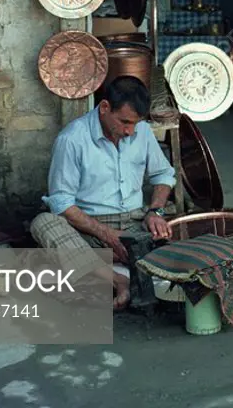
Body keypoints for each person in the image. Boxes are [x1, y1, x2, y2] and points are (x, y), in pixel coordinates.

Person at [30, 76, 176, 310]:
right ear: (105, 108)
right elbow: (61, 203)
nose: (130, 131)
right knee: (44, 222)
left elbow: (163, 175)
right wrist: (108, 235)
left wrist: (155, 211)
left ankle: (95, 265)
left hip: (135, 225)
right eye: (124, 122)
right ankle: (119, 280)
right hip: (89, 230)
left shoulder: (143, 132)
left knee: (173, 236)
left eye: (135, 124)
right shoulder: (72, 139)